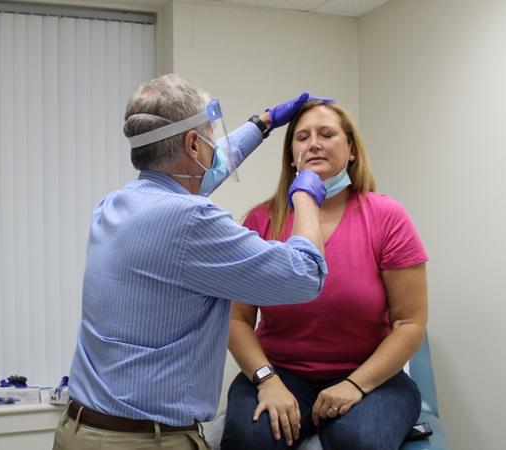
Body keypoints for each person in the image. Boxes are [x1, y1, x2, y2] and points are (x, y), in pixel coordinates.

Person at [52, 73, 331, 450]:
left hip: (80, 431)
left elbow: (202, 176)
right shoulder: (192, 222)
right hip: (142, 442)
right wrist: (306, 194)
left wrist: (262, 123)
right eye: (209, 135)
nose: (214, 144)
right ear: (192, 143)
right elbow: (306, 274)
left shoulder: (115, 205)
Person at [221, 101, 428, 450]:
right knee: (250, 439)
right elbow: (236, 318)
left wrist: (356, 385)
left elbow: (410, 322)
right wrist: (266, 379)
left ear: (350, 150)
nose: (313, 143)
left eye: (326, 134)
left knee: (359, 440)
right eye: (302, 137)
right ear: (291, 157)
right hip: (281, 371)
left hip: (369, 373)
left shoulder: (386, 216)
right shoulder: (261, 222)